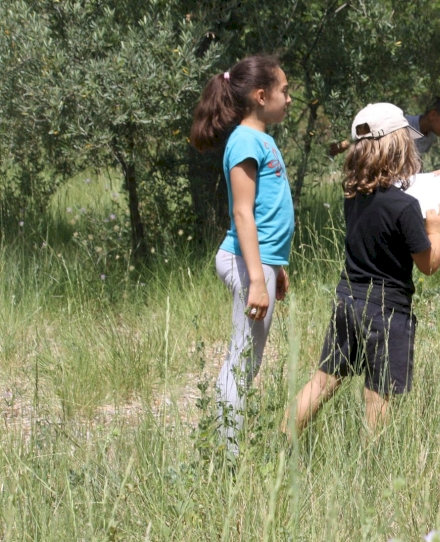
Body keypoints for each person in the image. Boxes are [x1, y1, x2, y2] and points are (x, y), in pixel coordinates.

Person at [284, 103, 440, 436]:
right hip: (387, 310)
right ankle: (371, 465)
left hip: (349, 297)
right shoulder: (406, 207)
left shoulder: (354, 194)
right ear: (399, 146)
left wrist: (418, 183)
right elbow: (429, 264)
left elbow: (385, 200)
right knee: (379, 393)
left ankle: (281, 442)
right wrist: (436, 228)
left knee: (323, 380)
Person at [189, 55, 294, 455]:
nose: (289, 98)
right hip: (248, 262)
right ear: (261, 95)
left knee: (245, 359)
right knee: (243, 360)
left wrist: (274, 268)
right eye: (284, 91)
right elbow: (242, 212)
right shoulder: (246, 140)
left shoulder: (260, 138)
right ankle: (225, 456)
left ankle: (223, 445)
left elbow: (266, 213)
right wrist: (255, 277)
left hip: (262, 262)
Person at [328, 97, 440, 163]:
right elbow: (371, 135)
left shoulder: (431, 137)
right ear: (433, 115)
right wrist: (345, 144)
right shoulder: (403, 124)